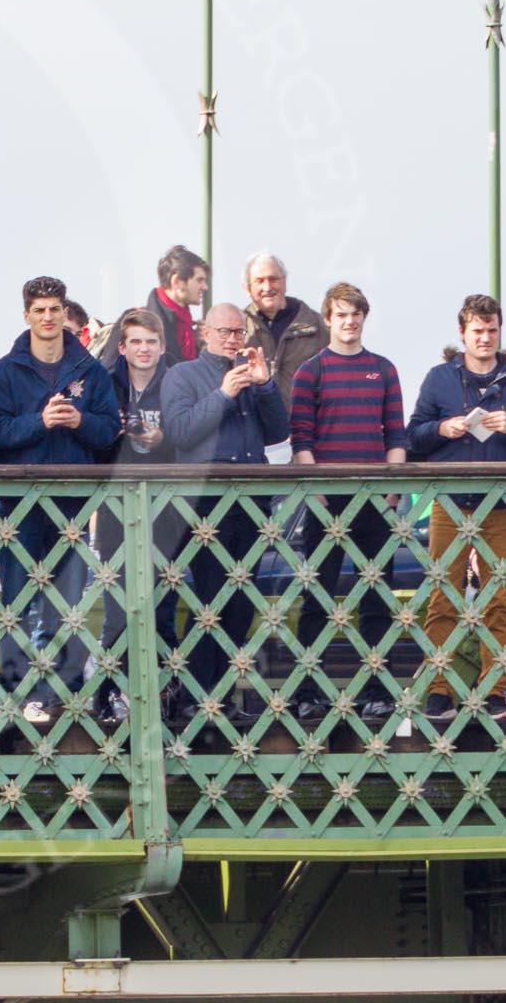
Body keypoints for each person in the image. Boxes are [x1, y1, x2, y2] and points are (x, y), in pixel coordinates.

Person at [405, 294, 506, 725]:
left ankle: (494, 690)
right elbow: (414, 436)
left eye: (491, 330)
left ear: (499, 331)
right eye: (477, 331)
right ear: (462, 334)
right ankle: (438, 690)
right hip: (450, 500)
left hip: (501, 503)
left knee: (498, 600)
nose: (485, 338)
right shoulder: (438, 378)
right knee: (441, 598)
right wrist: (443, 428)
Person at [0, 276, 121, 725]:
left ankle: (62, 693)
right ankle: (13, 693)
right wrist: (39, 422)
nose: (48, 317)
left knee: (67, 607)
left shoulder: (91, 371)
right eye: (39, 310)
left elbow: (108, 434)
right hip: (18, 507)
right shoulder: (4, 372)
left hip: (72, 505)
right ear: (26, 315)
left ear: (65, 313)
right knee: (18, 605)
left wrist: (79, 420)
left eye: (55, 309)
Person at [286, 283, 407, 725]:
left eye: (356, 314)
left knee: (377, 599)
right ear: (328, 319)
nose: (349, 322)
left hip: (374, 498)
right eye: (341, 314)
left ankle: (378, 691)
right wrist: (315, 492)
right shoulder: (310, 372)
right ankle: (308, 692)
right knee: (317, 597)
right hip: (326, 499)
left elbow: (395, 432)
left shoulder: (384, 369)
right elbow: (302, 438)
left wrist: (392, 487)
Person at [162, 301, 289, 726]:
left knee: (241, 603)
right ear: (205, 332)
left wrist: (265, 383)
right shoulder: (182, 374)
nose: (234, 339)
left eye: (239, 332)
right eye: (226, 332)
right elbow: (180, 431)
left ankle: (221, 695)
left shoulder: (251, 375)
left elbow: (279, 431)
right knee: (209, 602)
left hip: (250, 499)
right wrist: (224, 394)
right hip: (205, 502)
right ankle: (199, 697)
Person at [91, 307, 178, 728]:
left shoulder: (175, 384)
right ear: (122, 347)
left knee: (163, 604)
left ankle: (168, 698)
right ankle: (108, 694)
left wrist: (165, 438)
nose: (144, 350)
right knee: (118, 607)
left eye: (151, 342)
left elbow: (192, 437)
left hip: (166, 509)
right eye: (136, 342)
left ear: (162, 347)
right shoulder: (106, 386)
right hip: (115, 507)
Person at [104, 245, 209, 369]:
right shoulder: (132, 321)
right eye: (199, 280)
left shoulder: (189, 330)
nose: (205, 287)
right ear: (177, 281)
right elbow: (109, 374)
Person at [243, 252, 327, 395]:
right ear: (248, 289)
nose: (267, 287)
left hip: (301, 415)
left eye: (273, 279)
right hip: (255, 416)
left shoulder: (315, 324)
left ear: (284, 282)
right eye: (259, 281)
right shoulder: (239, 327)